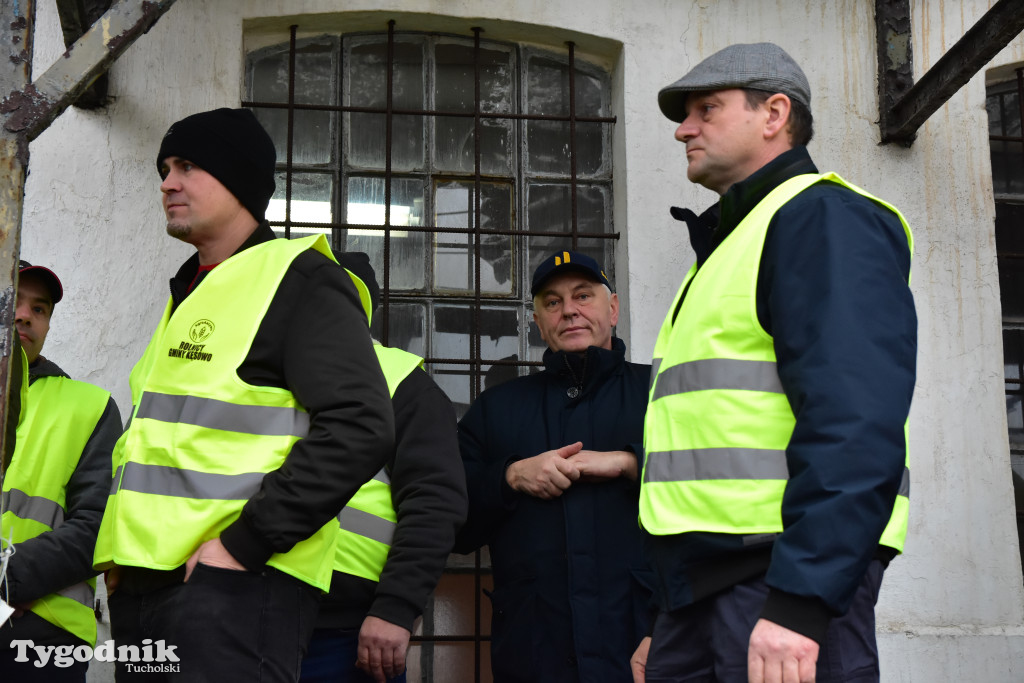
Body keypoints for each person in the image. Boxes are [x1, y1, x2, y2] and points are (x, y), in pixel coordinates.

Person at [633, 43, 916, 683]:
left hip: (778, 586)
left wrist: (802, 600)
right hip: (705, 594)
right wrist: (668, 610)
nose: (684, 128)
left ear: (774, 114)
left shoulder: (820, 220)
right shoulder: (733, 242)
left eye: (707, 108)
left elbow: (855, 423)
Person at [93, 108, 395, 682]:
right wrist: (119, 558)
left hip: (236, 589)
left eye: (187, 166)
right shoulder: (193, 290)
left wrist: (242, 545)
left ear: (239, 180)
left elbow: (360, 425)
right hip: (148, 587)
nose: (167, 183)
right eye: (164, 168)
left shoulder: (297, 278)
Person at [456, 251, 655, 683]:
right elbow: (452, 518)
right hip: (535, 653)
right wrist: (510, 477)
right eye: (552, 302)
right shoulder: (497, 409)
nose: (569, 310)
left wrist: (630, 462)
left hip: (646, 643)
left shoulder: (659, 393)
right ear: (538, 321)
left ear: (614, 308)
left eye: (583, 296)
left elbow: (715, 490)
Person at [300, 252, 467, 683]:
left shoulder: (403, 384)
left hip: (349, 630)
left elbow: (433, 502)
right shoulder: (267, 377)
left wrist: (395, 607)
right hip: (250, 613)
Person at [1, 261, 122, 682]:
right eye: (14, 300)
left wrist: (5, 580)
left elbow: (96, 529)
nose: (24, 315)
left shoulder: (90, 406)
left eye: (41, 309)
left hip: (40, 629)